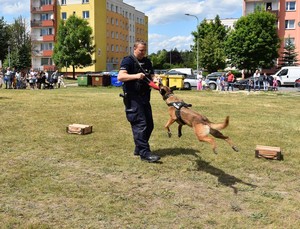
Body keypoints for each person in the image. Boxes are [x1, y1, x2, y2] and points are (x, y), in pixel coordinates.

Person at [118, 40, 160, 163]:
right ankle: (145, 153)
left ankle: (139, 148)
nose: (143, 53)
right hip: (132, 97)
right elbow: (120, 76)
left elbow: (151, 76)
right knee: (140, 124)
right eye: (141, 50)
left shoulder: (147, 61)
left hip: (145, 96)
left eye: (144, 50)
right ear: (135, 49)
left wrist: (156, 78)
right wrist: (136, 76)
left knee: (150, 124)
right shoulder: (128, 60)